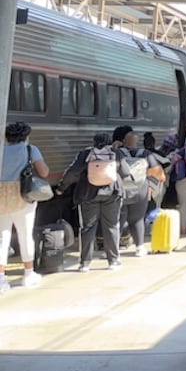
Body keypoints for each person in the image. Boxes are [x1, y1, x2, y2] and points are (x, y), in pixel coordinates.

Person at [58, 132, 131, 271]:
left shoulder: (85, 154)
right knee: (111, 226)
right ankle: (113, 261)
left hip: (88, 195)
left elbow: (73, 172)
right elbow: (126, 172)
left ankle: (84, 263)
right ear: (109, 141)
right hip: (112, 193)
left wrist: (62, 187)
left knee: (87, 228)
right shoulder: (116, 153)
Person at [1, 122, 50, 290]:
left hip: (2, 196)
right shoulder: (30, 149)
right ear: (25, 136)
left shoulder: (1, 149)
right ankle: (28, 275)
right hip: (23, 196)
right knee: (25, 235)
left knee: (2, 238)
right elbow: (44, 172)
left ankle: (1, 278)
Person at [113, 126, 154, 257]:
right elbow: (156, 170)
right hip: (141, 189)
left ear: (124, 141)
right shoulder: (146, 153)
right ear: (137, 141)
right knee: (137, 219)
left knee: (119, 219)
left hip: (122, 189)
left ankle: (115, 249)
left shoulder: (117, 152)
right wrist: (151, 186)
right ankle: (140, 248)